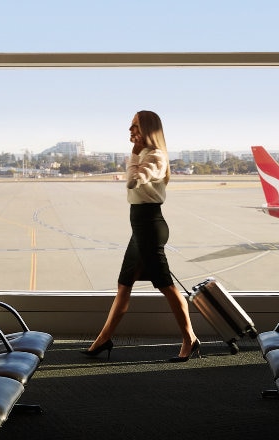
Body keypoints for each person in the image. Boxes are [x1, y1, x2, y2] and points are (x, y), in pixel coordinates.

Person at [81, 110, 200, 362]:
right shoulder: (147, 154)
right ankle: (103, 340)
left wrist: (134, 154)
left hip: (149, 227)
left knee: (167, 286)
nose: (130, 129)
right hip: (140, 230)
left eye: (135, 125)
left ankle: (190, 338)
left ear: (148, 129)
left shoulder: (156, 157)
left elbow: (133, 181)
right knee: (124, 285)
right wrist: (136, 153)